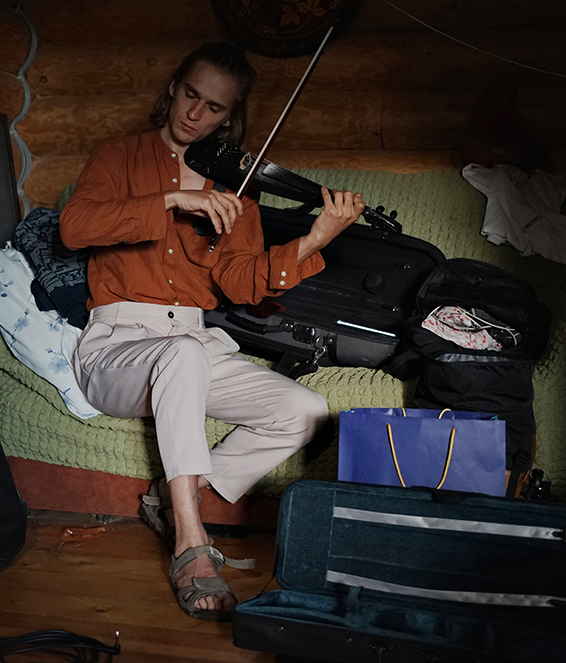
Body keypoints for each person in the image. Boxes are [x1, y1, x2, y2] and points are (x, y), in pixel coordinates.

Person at [59, 41, 365, 621]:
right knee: (180, 353)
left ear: (230, 117)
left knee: (304, 411)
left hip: (193, 345)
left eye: (214, 108)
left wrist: (315, 238)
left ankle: (168, 499)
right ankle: (191, 544)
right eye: (190, 95)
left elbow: (243, 283)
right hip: (118, 348)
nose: (195, 114)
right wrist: (170, 199)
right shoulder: (119, 155)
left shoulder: (235, 188)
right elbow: (74, 228)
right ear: (173, 88)